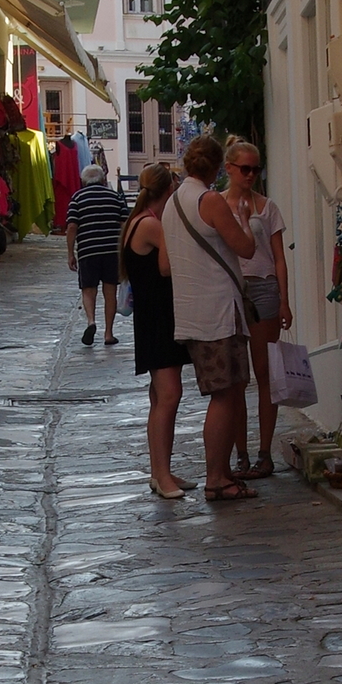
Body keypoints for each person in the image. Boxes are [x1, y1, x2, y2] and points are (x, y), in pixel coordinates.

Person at [167, 131, 256, 500]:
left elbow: (166, 261)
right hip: (219, 311)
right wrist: (245, 217)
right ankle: (216, 476)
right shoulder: (210, 201)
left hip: (190, 311)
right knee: (224, 395)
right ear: (219, 167)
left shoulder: (173, 202)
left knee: (226, 392)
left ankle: (219, 474)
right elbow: (246, 248)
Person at [224, 137, 291, 481]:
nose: (251, 175)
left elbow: (279, 256)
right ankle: (241, 455)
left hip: (263, 288)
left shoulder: (268, 207)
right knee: (237, 378)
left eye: (256, 168)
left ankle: (264, 452)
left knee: (265, 374)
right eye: (244, 168)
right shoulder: (217, 205)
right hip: (232, 290)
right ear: (230, 169)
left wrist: (284, 299)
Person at [123, 163, 188, 499]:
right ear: (168, 190)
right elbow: (167, 265)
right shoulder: (151, 224)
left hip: (154, 317)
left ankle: (161, 469)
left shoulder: (139, 221)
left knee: (160, 396)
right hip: (158, 319)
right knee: (169, 395)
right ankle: (162, 475)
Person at [66, 152, 129, 346]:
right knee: (110, 292)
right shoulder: (115, 197)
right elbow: (124, 224)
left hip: (88, 251)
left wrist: (70, 253)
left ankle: (91, 321)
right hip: (111, 251)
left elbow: (71, 227)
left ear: (83, 181)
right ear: (103, 179)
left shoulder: (77, 198)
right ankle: (108, 333)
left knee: (88, 289)